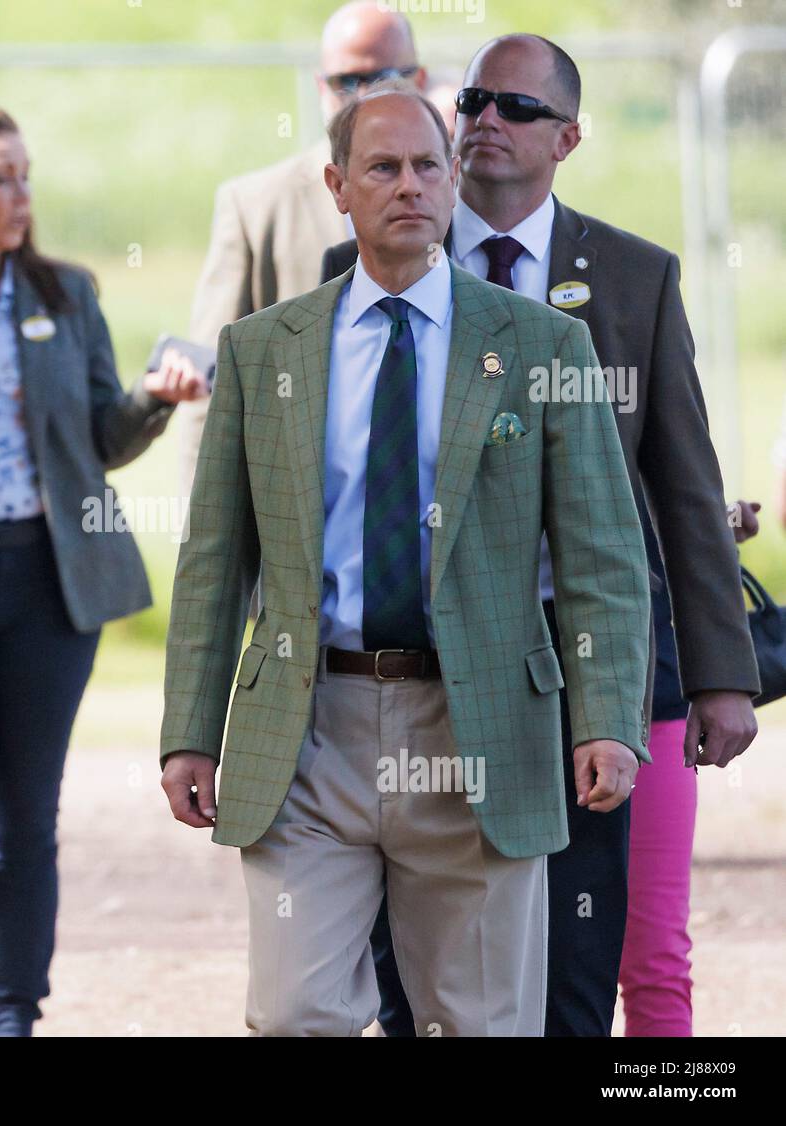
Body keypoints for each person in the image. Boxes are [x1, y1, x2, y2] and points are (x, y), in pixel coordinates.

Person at [160, 87, 652, 1036]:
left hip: (483, 726)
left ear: (454, 178)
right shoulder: (265, 352)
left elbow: (602, 555)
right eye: (382, 168)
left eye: (430, 166)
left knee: (479, 1021)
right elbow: (215, 558)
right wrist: (189, 725)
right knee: (298, 1012)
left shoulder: (545, 344)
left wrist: (608, 720)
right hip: (309, 727)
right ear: (338, 186)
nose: (410, 186)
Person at [321, 34, 760, 1038]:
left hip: (580, 662)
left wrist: (717, 671)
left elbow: (683, 485)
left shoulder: (634, 279)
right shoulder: (361, 267)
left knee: (573, 952)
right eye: (472, 99)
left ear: (566, 136)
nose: (482, 119)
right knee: (412, 962)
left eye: (514, 108)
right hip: (414, 665)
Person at [0, 102, 206, 1036]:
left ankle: (14, 1013)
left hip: (47, 581)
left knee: (31, 814)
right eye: (1, 177)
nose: (22, 193)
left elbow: (99, 440)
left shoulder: (66, 296)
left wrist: (152, 401)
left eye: (26, 174)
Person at [178, 0, 428, 497]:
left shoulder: (449, 199)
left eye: (382, 79)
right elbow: (211, 383)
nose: (362, 96)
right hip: (299, 506)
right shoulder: (256, 207)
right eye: (345, 82)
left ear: (419, 80)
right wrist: (204, 526)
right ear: (320, 87)